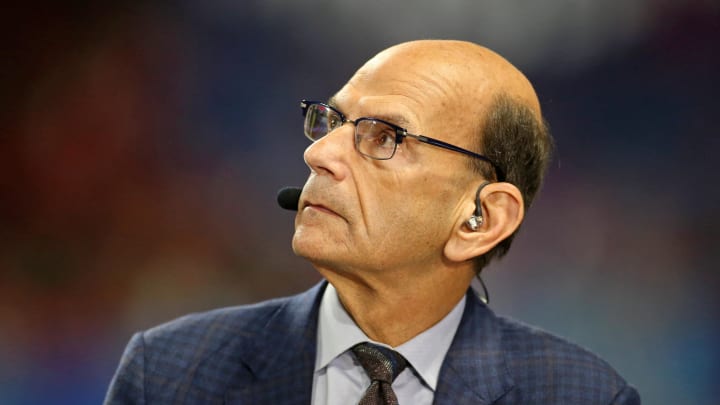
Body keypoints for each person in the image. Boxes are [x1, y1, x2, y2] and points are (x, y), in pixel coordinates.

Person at [105, 40, 640, 404]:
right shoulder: (170, 373)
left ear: (480, 218)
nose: (320, 156)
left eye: (385, 136)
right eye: (332, 122)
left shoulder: (580, 394)